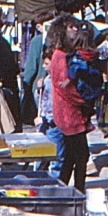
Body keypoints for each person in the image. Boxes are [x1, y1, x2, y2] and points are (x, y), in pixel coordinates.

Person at [49, 14, 105, 193]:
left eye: (76, 27)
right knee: (80, 156)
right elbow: (64, 88)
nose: (75, 30)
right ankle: (74, 193)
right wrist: (85, 100)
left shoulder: (68, 54)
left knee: (73, 156)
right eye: (71, 27)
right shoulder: (60, 56)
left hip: (73, 112)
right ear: (62, 32)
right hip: (68, 113)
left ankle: (65, 192)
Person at [34, 48, 64, 178]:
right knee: (40, 156)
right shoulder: (47, 80)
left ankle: (55, 182)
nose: (43, 66)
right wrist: (38, 89)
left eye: (46, 64)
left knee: (55, 157)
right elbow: (41, 100)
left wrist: (47, 118)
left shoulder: (57, 81)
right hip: (45, 122)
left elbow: (55, 104)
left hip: (53, 123)